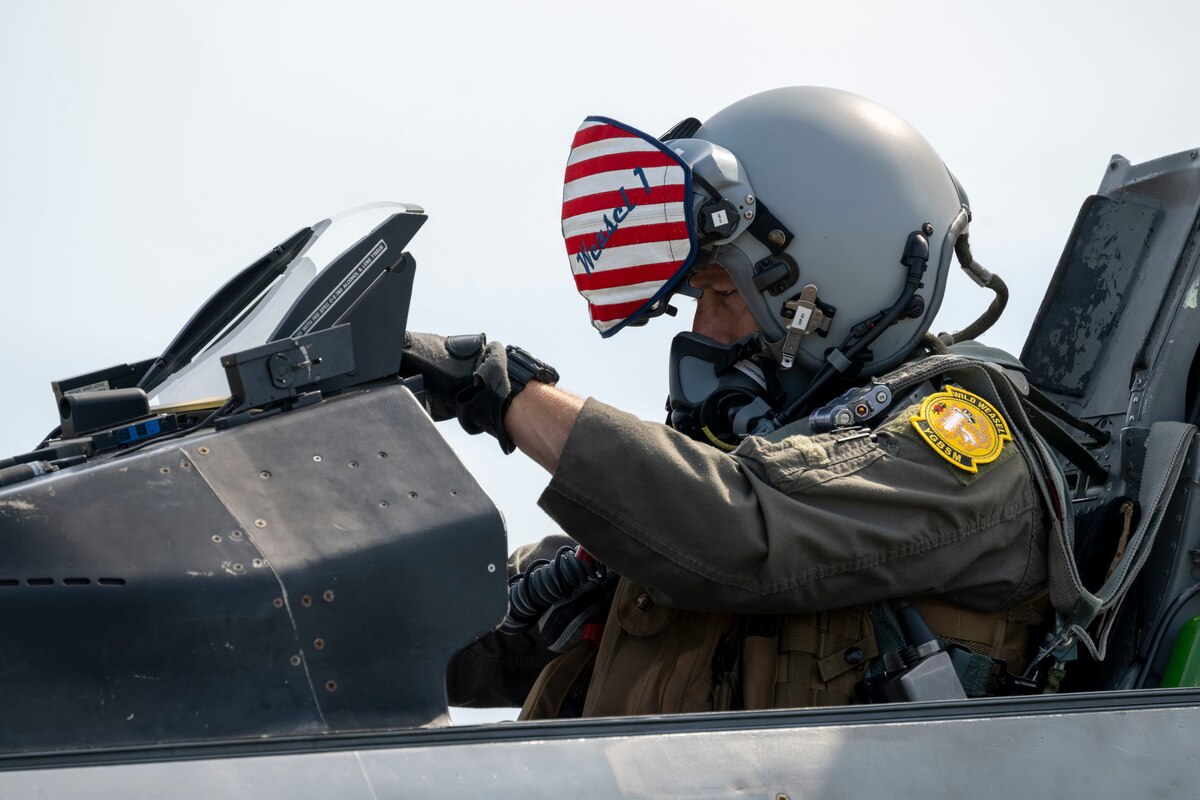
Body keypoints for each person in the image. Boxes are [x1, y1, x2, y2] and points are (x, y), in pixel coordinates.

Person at [405, 87, 1061, 717]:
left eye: (725, 293)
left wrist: (504, 391)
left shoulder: (959, 448)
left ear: (838, 283)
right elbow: (479, 631)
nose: (703, 336)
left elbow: (742, 528)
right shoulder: (691, 520)